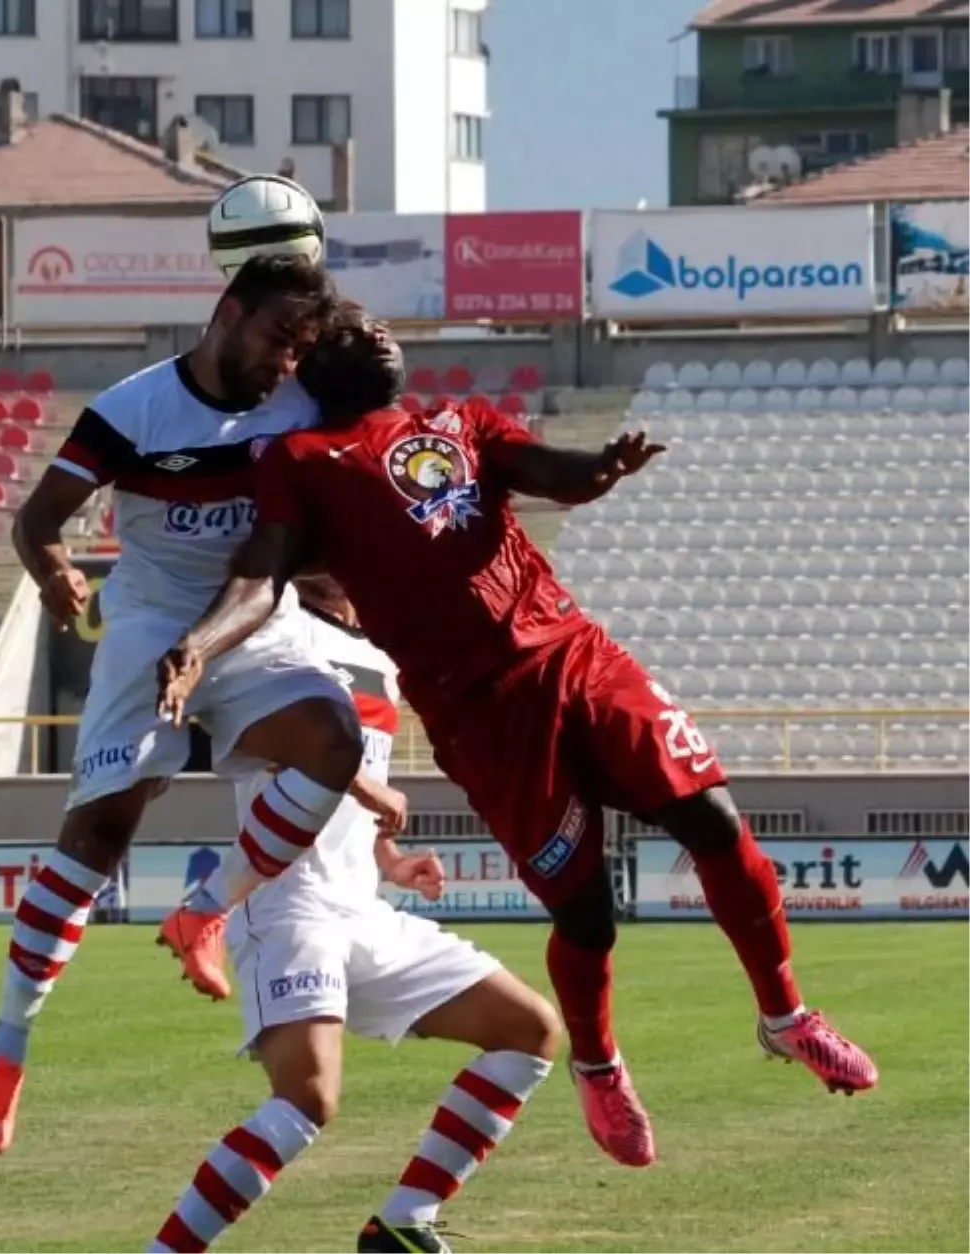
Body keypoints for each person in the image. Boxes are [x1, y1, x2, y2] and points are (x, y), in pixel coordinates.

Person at [155, 309, 878, 1171]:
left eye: (381, 327)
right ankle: (599, 1065)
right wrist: (199, 643)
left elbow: (549, 472)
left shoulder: (462, 423)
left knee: (714, 820)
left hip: (575, 654)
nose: (380, 335)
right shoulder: (302, 461)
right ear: (315, 365)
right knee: (586, 913)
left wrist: (599, 469)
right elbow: (260, 568)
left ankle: (786, 1015)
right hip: (480, 713)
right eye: (355, 331)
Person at [0, 257, 382, 1156]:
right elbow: (35, 521)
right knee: (100, 837)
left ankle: (205, 910)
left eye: (300, 348)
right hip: (150, 626)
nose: (285, 362)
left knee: (334, 737)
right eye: (277, 339)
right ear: (228, 314)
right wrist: (55, 571)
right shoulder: (132, 409)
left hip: (252, 623)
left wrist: (320, 576)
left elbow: (285, 541)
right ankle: (6, 1044)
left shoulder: (301, 405)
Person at [149, 575, 560, 1254]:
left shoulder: (380, 650)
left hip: (361, 906)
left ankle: (403, 1223)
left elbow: (346, 787)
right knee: (307, 1100)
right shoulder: (271, 619)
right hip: (286, 904)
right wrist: (367, 785)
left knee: (529, 1029)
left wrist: (389, 859)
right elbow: (255, 739)